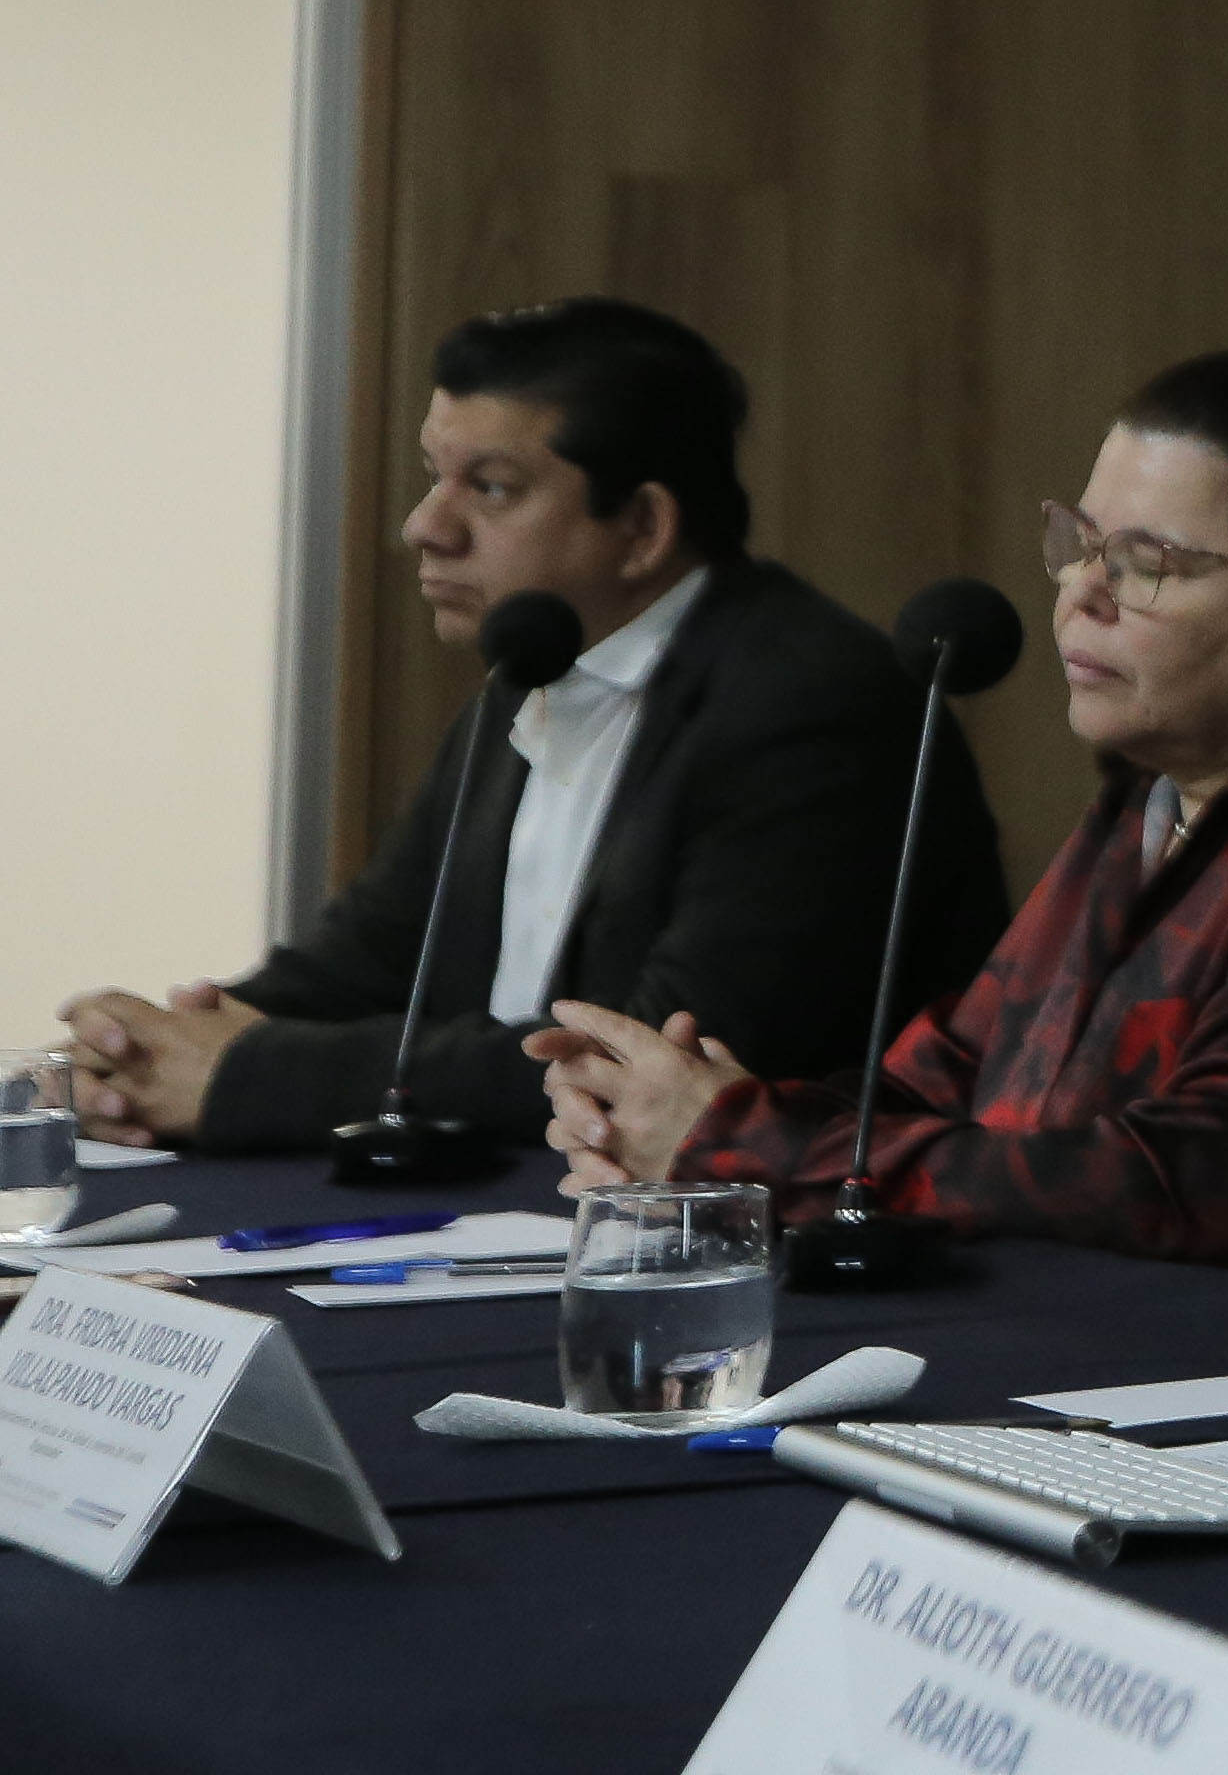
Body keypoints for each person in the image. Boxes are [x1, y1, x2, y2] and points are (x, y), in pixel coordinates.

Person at [535, 351, 1228, 1305]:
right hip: (1115, 1360)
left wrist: (743, 1145)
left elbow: (1191, 1187)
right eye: (1079, 542)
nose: (1078, 593)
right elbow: (949, 1078)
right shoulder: (1157, 790)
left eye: (1146, 562)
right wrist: (685, 1114)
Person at [61, 298, 1005, 1155]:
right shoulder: (534, 667)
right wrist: (152, 1049)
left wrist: (245, 1073)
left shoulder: (813, 705)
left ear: (642, 526)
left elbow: (648, 1065)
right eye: (434, 477)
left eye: (492, 487)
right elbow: (376, 958)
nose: (425, 525)